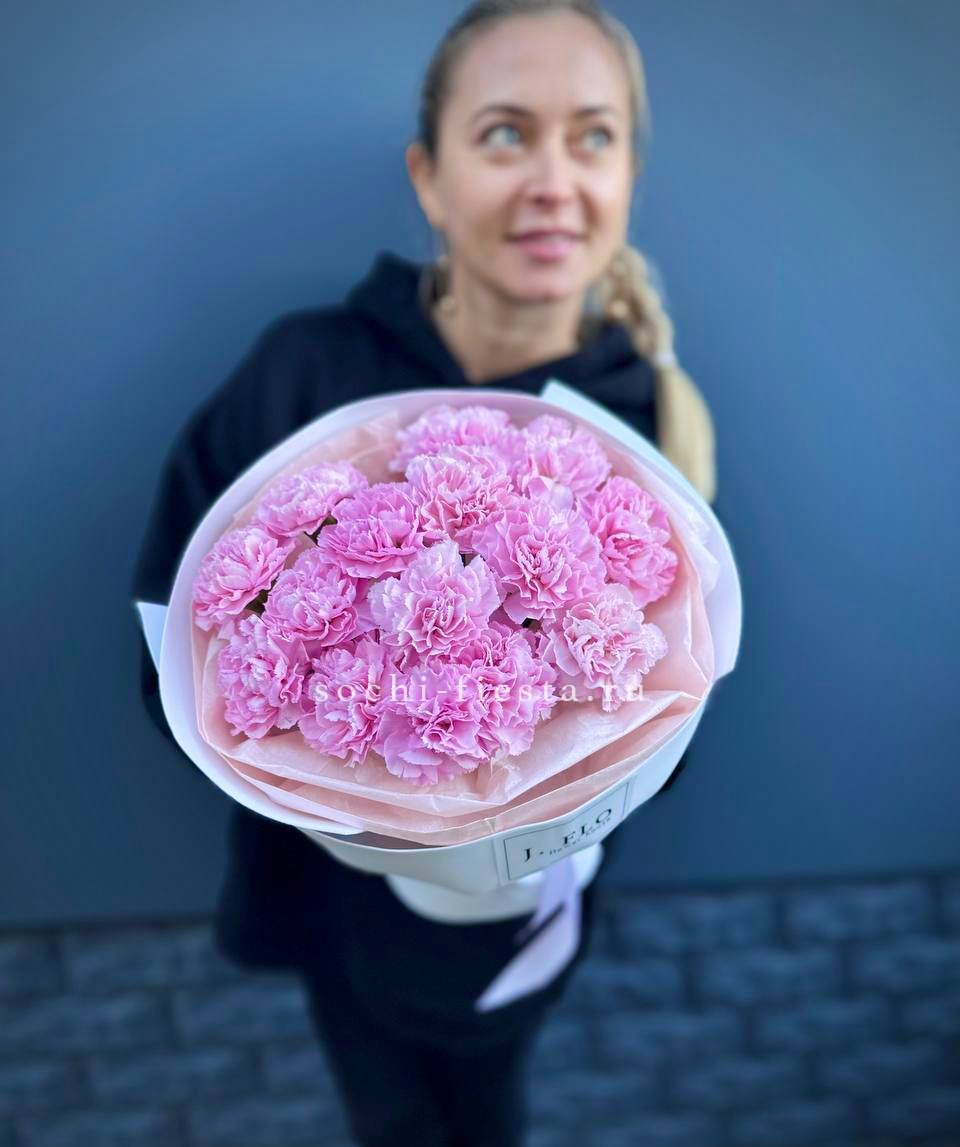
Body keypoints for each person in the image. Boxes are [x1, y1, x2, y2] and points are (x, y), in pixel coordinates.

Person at [131, 2, 718, 1143]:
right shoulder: (303, 373)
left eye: (593, 137)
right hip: (330, 909)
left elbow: (678, 706)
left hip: (524, 918)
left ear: (629, 176)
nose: (553, 180)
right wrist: (340, 784)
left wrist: (539, 802)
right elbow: (173, 644)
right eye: (505, 133)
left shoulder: (656, 422)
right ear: (429, 178)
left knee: (492, 1108)